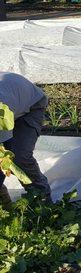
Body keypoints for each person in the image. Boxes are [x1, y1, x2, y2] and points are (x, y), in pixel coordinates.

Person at [0, 72, 51, 205]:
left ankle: (41, 199)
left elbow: (5, 154)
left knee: (19, 155)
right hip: (13, 93)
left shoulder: (2, 111)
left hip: (32, 105)